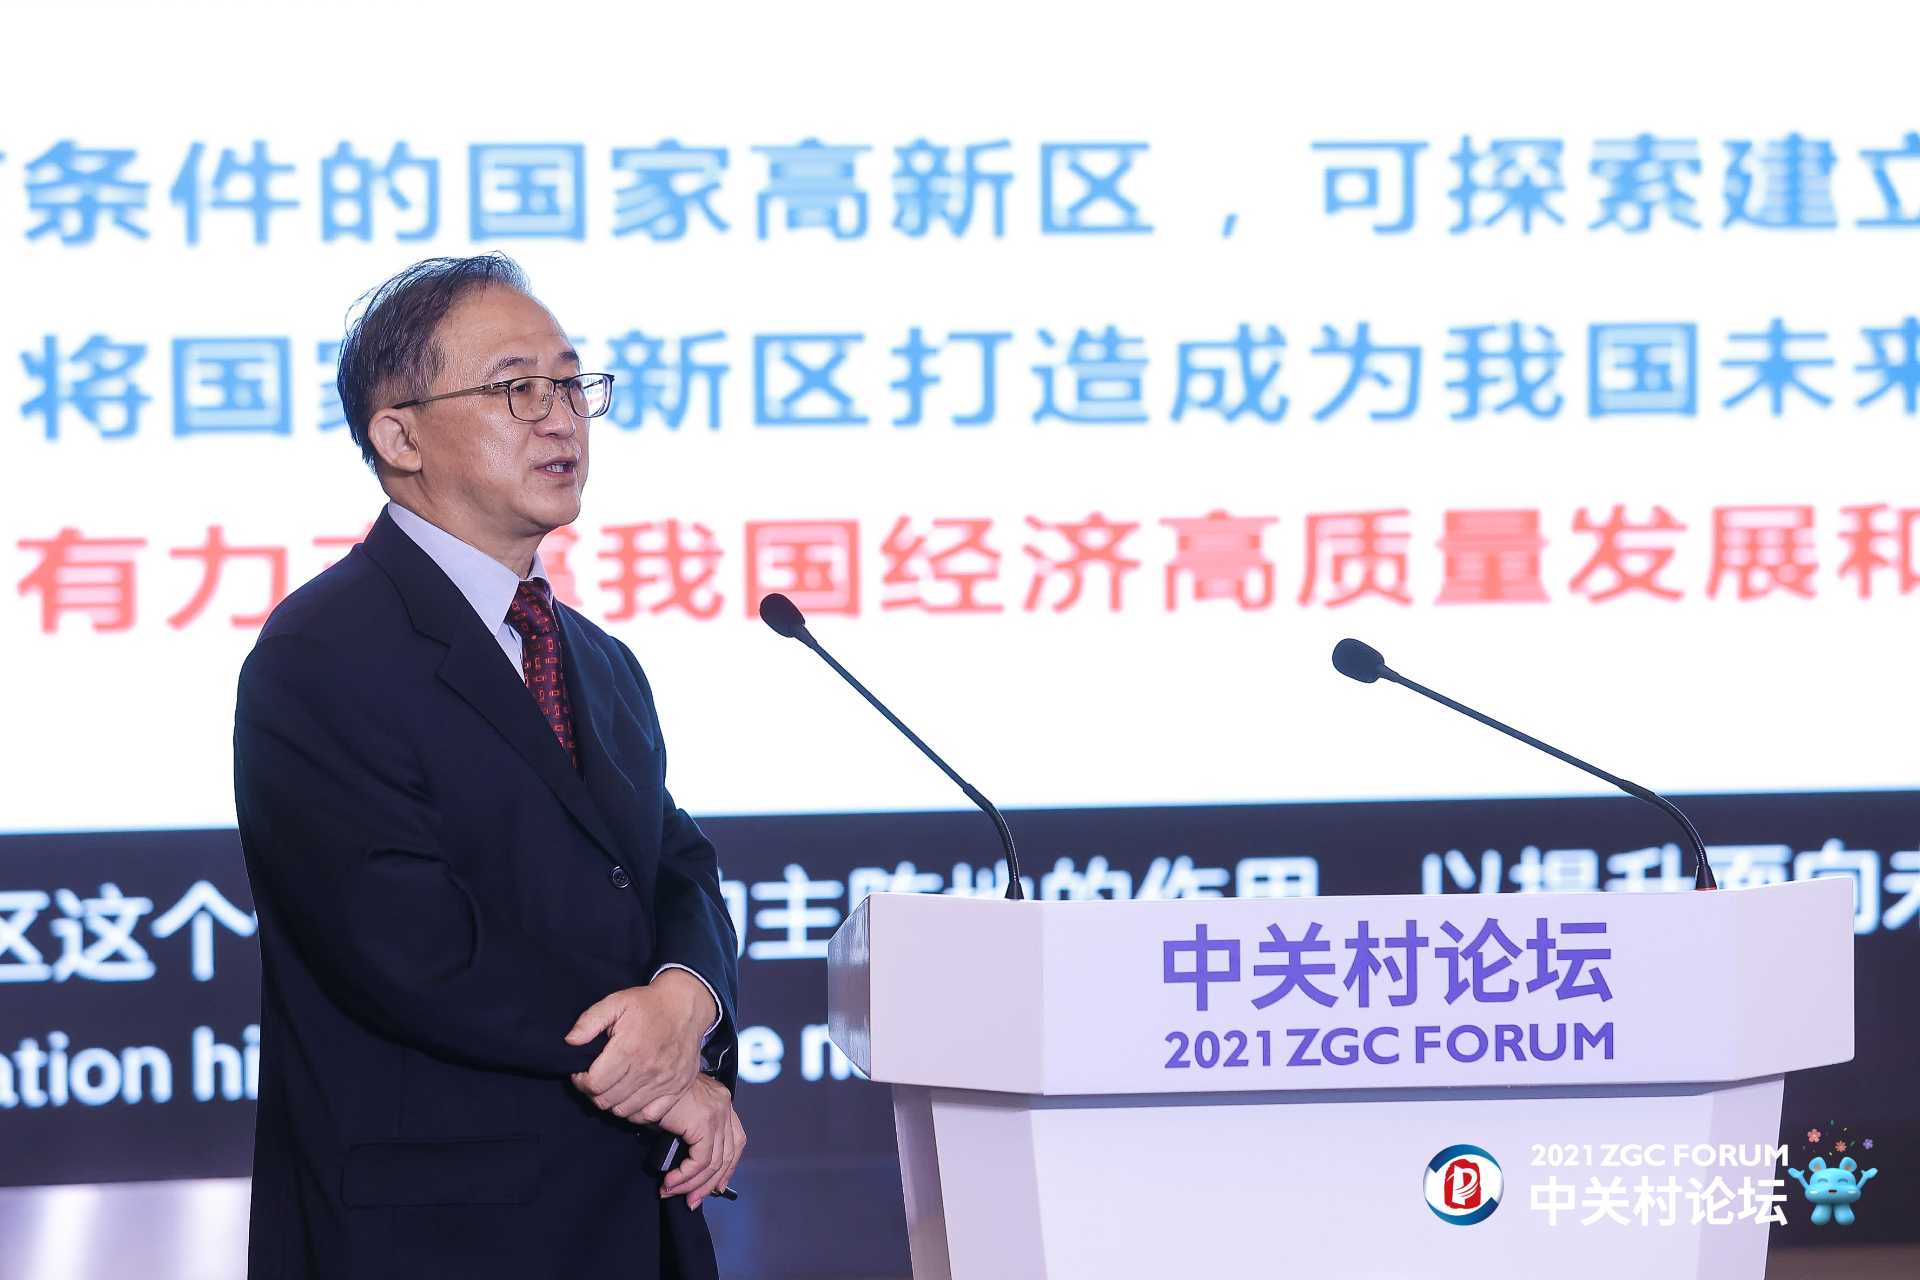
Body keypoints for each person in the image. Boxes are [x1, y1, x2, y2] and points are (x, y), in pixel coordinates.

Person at [232, 253, 743, 1279]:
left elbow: (673, 867)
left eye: (572, 383)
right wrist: (656, 1071)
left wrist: (689, 998)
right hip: (435, 1235)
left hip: (628, 1221)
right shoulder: (322, 653)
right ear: (400, 436)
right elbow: (407, 946)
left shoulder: (595, 657)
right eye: (518, 389)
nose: (562, 420)